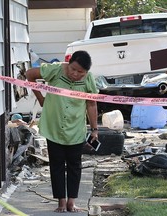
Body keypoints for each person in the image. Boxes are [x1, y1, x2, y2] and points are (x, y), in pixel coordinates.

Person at [26, 50, 99, 213]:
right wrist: (41, 98)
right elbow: (29, 75)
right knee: (57, 164)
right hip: (54, 126)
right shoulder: (55, 69)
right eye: (73, 69)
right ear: (68, 63)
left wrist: (94, 129)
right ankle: (61, 202)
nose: (76, 74)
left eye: (81, 72)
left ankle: (71, 202)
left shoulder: (88, 79)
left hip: (75, 128)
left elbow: (91, 104)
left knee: (75, 165)